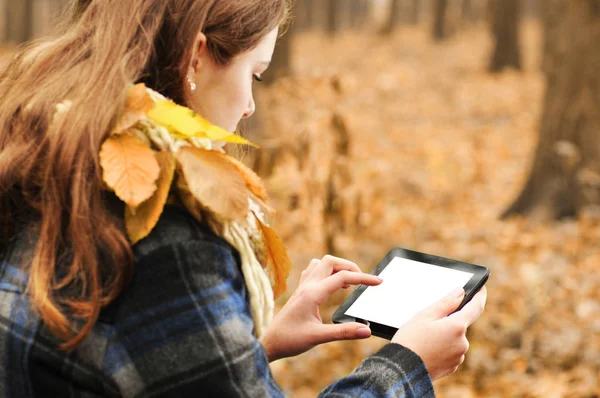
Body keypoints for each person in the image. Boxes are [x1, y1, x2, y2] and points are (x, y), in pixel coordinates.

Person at [0, 0, 487, 397]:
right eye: (255, 74)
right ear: (195, 55)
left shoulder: (56, 161)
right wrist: (408, 366)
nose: (252, 105)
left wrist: (255, 347)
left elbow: (126, 359)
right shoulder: (163, 230)